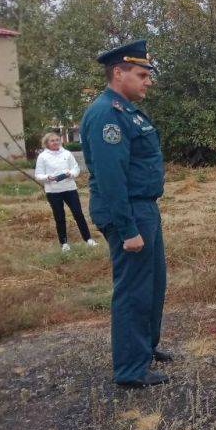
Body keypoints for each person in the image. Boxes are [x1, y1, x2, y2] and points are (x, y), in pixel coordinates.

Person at [80, 39, 172, 388]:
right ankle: (131, 369)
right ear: (118, 73)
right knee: (133, 288)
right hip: (128, 211)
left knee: (152, 283)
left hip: (143, 207)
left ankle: (144, 349)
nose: (148, 81)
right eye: (141, 74)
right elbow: (110, 178)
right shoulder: (108, 114)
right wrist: (128, 227)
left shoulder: (127, 109)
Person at [34, 132, 97, 252]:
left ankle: (88, 239)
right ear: (46, 143)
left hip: (70, 189)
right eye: (52, 140)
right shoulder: (43, 156)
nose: (55, 142)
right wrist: (48, 177)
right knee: (59, 217)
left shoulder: (67, 154)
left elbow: (76, 168)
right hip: (53, 191)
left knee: (78, 214)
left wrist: (71, 173)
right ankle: (64, 243)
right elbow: (38, 175)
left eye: (57, 140)